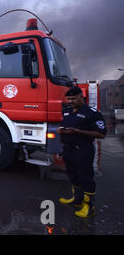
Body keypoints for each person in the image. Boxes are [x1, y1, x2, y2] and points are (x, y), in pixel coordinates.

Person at [57, 86, 106, 218]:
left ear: (81, 97)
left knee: (86, 178)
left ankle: (89, 207)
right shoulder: (67, 111)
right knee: (73, 176)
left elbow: (101, 134)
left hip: (82, 151)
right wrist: (61, 130)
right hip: (68, 150)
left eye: (73, 99)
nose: (70, 101)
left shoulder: (92, 113)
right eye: (68, 99)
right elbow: (66, 125)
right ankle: (77, 200)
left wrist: (78, 131)